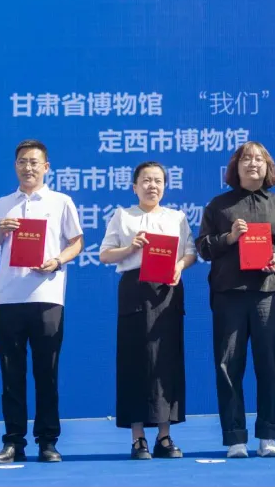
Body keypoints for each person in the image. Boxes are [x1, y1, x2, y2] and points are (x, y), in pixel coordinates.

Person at [0, 139, 84, 464]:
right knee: (11, 374)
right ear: (15, 166)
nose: (28, 167)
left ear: (46, 167)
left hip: (47, 297)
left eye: (34, 162)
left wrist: (56, 261)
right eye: (23, 161)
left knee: (46, 372)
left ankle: (47, 441)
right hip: (8, 299)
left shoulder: (60, 202)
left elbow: (76, 242)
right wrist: (0, 233)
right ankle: (13, 442)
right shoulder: (2, 205)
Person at [195, 141, 275, 458]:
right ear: (236, 166)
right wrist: (229, 237)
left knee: (270, 364)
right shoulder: (219, 205)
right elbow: (203, 247)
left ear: (268, 167)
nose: (252, 163)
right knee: (228, 364)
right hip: (229, 294)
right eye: (246, 158)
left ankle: (269, 435)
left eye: (258, 159)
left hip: (268, 293)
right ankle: (235, 437)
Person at [99, 161, 197, 460]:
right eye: (146, 180)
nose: (152, 186)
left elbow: (190, 252)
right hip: (135, 290)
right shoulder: (123, 216)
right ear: (135, 186)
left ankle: (164, 436)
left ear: (165, 186)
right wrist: (130, 248)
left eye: (157, 181)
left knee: (166, 362)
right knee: (135, 362)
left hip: (167, 290)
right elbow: (105, 255)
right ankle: (138, 437)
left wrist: (179, 266)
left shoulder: (177, 217)